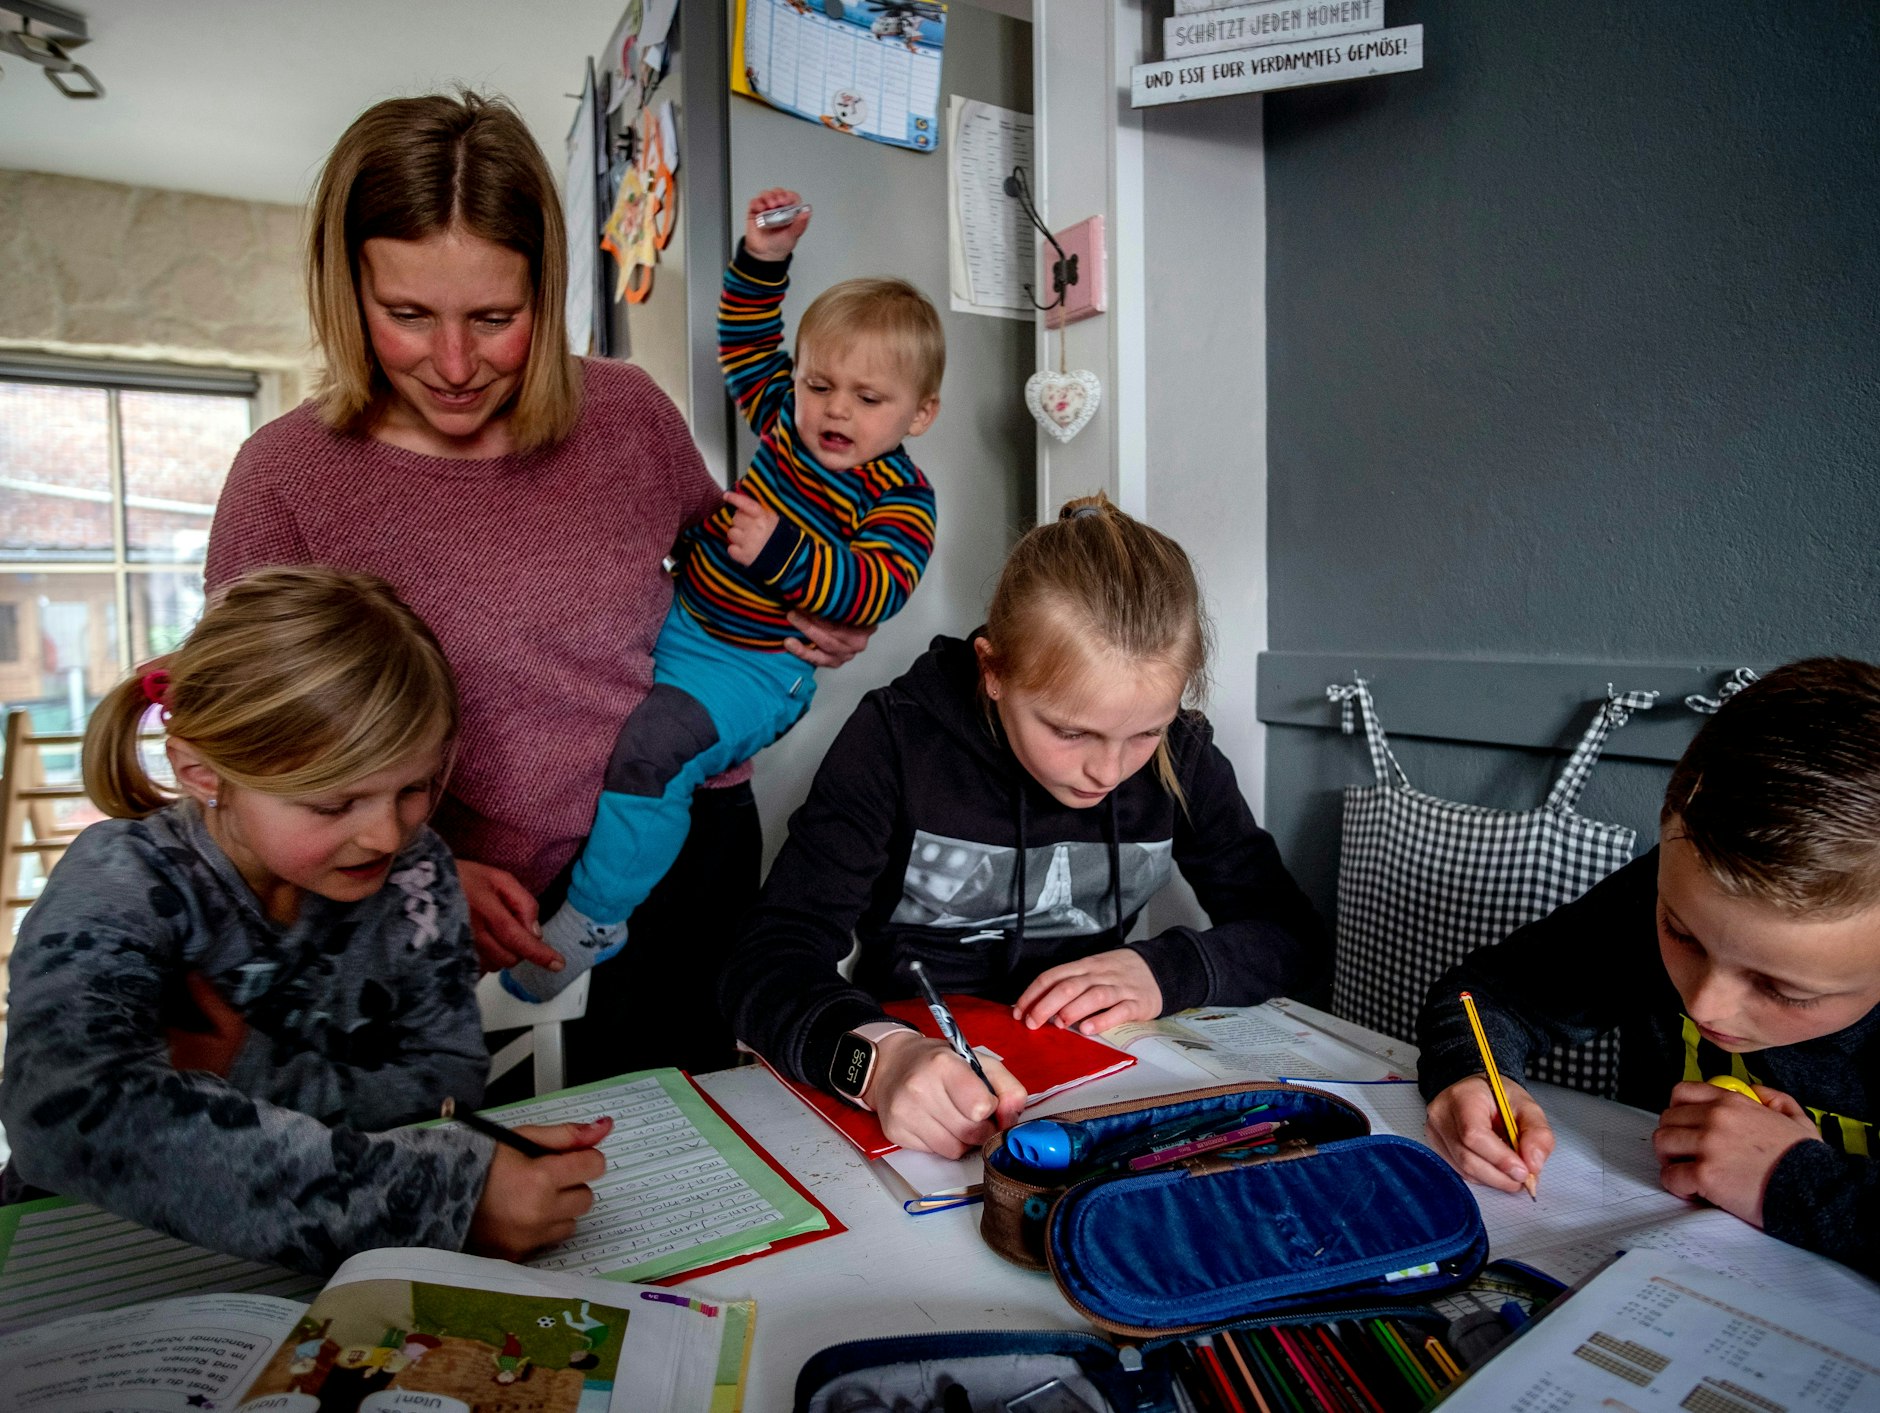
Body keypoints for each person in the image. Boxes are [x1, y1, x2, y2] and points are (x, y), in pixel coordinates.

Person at [202, 93, 872, 1078]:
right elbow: (248, 755)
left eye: (494, 318)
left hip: (678, 864)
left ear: (545, 291)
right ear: (347, 291)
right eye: (407, 315)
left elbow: (724, 574)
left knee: (685, 1179)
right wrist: (416, 874)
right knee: (478, 1198)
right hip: (427, 899)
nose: (456, 363)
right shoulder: (285, 479)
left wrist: (821, 606)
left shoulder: (626, 415)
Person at [0, 567, 608, 1275]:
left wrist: (243, 1067)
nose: (386, 834)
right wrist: (440, 1198)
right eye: (332, 805)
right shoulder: (120, 881)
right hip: (85, 1252)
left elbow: (445, 1085)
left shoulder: (417, 871)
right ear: (202, 774)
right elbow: (65, 1114)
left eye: (413, 787)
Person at [720, 494, 1330, 1157]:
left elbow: (1291, 934)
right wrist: (881, 1059)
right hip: (919, 1082)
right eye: (1070, 730)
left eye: (1144, 733)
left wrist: (1171, 968)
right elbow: (766, 959)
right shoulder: (897, 738)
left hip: (1096, 1087)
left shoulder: (1182, 751)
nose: (1108, 770)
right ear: (992, 671)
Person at [505, 187, 941, 1001]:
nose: (834, 410)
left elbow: (873, 588)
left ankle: (597, 917)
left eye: (868, 399)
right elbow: (745, 341)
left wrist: (780, 548)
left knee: (654, 750)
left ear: (921, 413)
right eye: (820, 385)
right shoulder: (784, 420)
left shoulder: (900, 497)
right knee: (599, 717)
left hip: (754, 668)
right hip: (688, 620)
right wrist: (765, 256)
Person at [1417, 658, 1880, 1278]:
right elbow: (1488, 997)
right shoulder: (1674, 885)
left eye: (1782, 988)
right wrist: (1472, 1074)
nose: (1705, 1005)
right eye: (1680, 934)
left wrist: (1793, 1181)